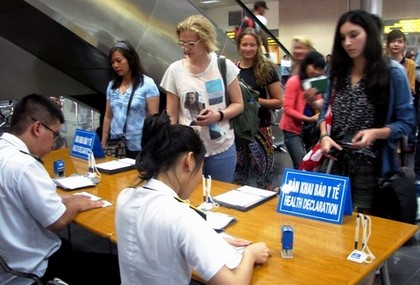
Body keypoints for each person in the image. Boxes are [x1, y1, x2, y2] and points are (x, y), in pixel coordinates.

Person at [115, 112, 270, 285]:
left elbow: (159, 237)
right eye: (201, 166)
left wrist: (211, 238)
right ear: (189, 161)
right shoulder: (181, 216)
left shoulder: (125, 197)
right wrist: (251, 254)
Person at [0, 94, 120, 284]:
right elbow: (57, 221)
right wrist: (77, 204)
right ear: (37, 128)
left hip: (9, 262)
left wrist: (67, 200)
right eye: (54, 135)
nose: (53, 143)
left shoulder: (5, 152)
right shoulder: (25, 165)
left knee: (67, 245)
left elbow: (20, 200)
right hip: (33, 269)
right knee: (116, 268)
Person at [318, 10, 415, 215]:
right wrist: (324, 136)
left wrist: (375, 133)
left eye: (354, 35)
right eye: (343, 38)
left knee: (366, 227)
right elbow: (324, 112)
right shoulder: (337, 72)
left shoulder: (392, 72)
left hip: (372, 164)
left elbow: (407, 121)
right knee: (332, 224)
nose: (347, 43)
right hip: (336, 160)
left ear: (369, 34)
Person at [161, 15, 243, 183]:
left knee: (219, 199)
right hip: (188, 150)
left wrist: (217, 115)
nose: (186, 48)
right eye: (182, 43)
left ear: (205, 40)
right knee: (190, 201)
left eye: (191, 44)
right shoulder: (175, 70)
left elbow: (238, 104)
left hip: (222, 148)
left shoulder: (224, 66)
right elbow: (171, 114)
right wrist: (171, 146)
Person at [233, 28, 283, 190]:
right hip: (238, 129)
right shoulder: (233, 69)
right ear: (239, 46)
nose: (248, 48)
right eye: (244, 44)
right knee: (238, 175)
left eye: (252, 45)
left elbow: (279, 102)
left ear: (258, 46)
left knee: (264, 176)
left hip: (260, 128)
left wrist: (253, 100)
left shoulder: (267, 69)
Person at [101, 40, 160, 159]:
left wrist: (152, 146)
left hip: (139, 146)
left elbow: (153, 119)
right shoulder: (112, 86)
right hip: (115, 145)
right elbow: (108, 116)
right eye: (112, 62)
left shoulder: (147, 84)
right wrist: (103, 140)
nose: (115, 65)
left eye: (119, 61)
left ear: (130, 59)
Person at [280, 51, 325, 169]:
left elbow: (320, 105)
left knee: (313, 163)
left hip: (312, 129)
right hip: (293, 129)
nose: (316, 71)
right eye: (314, 67)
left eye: (319, 69)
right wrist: (308, 118)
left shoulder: (318, 82)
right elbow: (287, 109)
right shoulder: (294, 81)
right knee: (301, 164)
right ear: (306, 65)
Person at [386, 29, 416, 153]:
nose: (396, 44)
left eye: (399, 41)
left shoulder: (410, 64)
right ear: (387, 44)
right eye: (393, 41)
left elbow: (412, 87)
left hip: (402, 102)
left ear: (404, 45)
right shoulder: (382, 63)